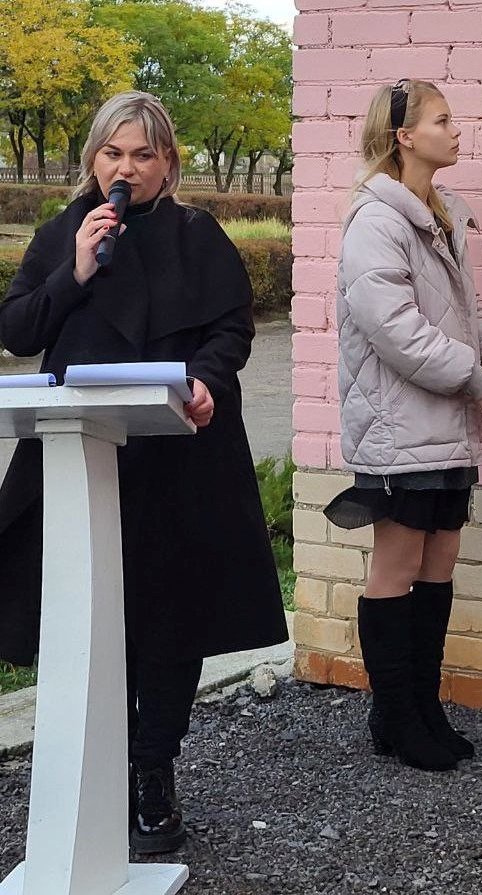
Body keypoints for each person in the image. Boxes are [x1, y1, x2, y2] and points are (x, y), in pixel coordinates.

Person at [0, 92, 288, 853]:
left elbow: (231, 329)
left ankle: (152, 767)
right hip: (82, 453)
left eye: (142, 154)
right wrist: (75, 271)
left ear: (167, 164)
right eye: (112, 153)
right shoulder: (64, 232)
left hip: (177, 453)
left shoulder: (198, 235)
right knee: (88, 609)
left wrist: (207, 380)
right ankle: (92, 767)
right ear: (92, 159)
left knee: (171, 617)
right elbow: (19, 329)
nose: (125, 169)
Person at [324, 79, 482, 772]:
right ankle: (397, 715)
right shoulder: (376, 222)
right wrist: (478, 380)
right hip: (399, 428)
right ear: (404, 136)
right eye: (442, 120)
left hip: (446, 426)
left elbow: (463, 314)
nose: (457, 130)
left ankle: (422, 708)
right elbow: (396, 332)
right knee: (398, 568)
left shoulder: (441, 214)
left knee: (438, 567)